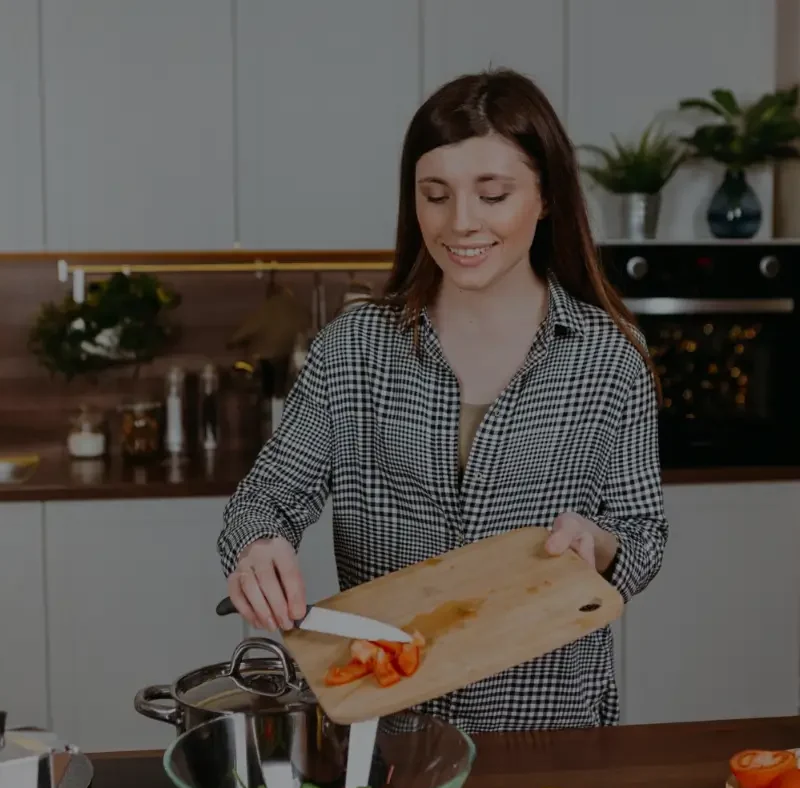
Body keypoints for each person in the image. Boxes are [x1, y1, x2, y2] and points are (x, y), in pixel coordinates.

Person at [217, 67, 669, 733]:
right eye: (436, 195)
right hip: (388, 725)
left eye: (493, 195)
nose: (461, 223)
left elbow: (642, 532)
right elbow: (267, 496)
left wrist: (598, 545)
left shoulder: (609, 358)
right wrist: (258, 545)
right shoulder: (353, 349)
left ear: (546, 197)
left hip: (546, 721)